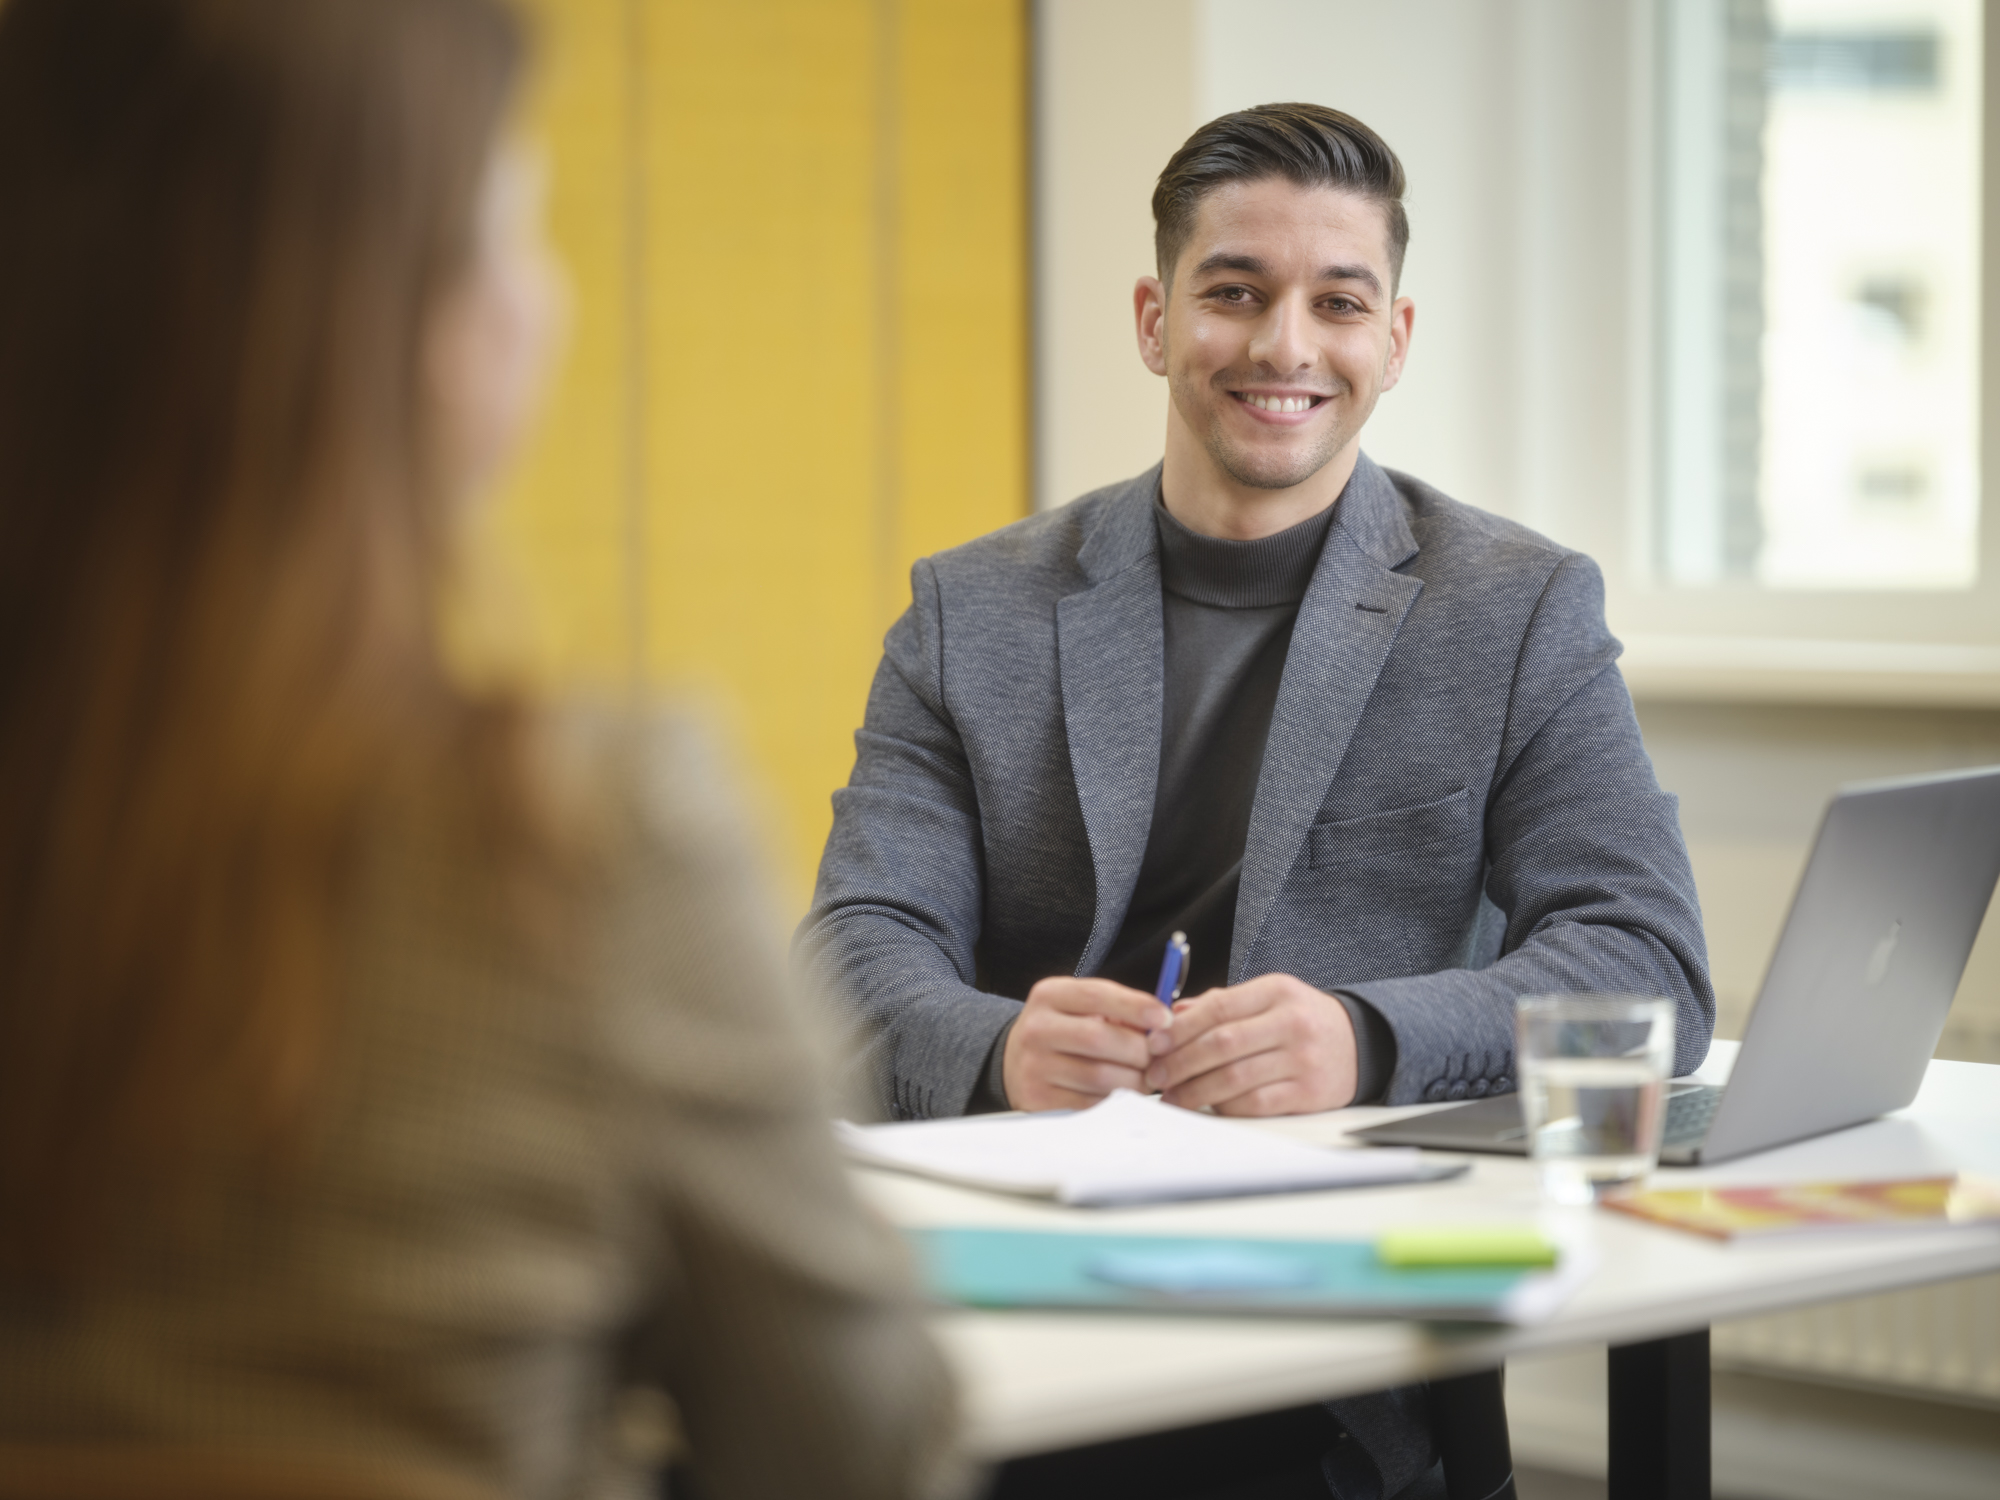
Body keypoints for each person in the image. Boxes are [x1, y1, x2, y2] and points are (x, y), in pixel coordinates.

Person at [0, 4, 963, 1500]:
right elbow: (856, 1449)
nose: (544, 298)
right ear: (410, 326)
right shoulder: (586, 844)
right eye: (508, 225)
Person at [801, 103, 1713, 1499]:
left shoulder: (1517, 606)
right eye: (1235, 292)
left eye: (1337, 302)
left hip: (1338, 1314)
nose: (1286, 345)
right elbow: (853, 954)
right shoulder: (966, 610)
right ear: (1156, 319)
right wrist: (1001, 1054)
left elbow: (1644, 960)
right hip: (1027, 1284)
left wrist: (1363, 1034)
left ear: (1392, 340)